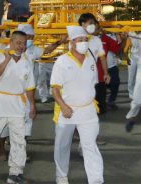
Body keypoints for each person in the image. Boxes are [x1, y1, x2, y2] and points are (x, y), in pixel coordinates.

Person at [0, 24, 65, 161]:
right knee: (4, 123)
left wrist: (59, 42)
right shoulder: (4, 52)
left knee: (27, 122)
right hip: (8, 94)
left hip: (27, 94)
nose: (30, 40)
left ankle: (20, 151)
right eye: (28, 37)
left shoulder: (33, 50)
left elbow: (46, 50)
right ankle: (1, 149)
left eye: (31, 37)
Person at [0, 31, 36, 184]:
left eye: (24, 43)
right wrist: (6, 60)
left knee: (19, 140)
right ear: (11, 42)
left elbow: (30, 87)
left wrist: (32, 107)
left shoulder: (26, 61)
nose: (22, 46)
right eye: (19, 43)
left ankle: (15, 173)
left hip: (17, 104)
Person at [51, 26, 104, 184]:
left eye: (85, 39)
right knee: (62, 146)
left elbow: (92, 82)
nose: (83, 43)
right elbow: (55, 89)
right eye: (79, 40)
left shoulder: (91, 59)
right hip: (67, 111)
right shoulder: (62, 61)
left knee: (90, 146)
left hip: (88, 111)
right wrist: (63, 105)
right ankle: (61, 176)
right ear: (71, 43)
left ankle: (96, 180)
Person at [78, 14, 110, 114]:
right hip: (79, 77)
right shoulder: (76, 40)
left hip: (93, 76)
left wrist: (106, 73)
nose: (93, 25)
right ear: (83, 24)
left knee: (95, 105)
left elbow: (102, 57)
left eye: (94, 23)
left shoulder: (96, 40)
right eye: (90, 23)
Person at [106, 26, 126, 109]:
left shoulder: (114, 36)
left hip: (112, 65)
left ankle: (111, 100)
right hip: (99, 66)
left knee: (115, 83)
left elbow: (119, 50)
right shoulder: (97, 36)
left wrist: (120, 36)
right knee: (100, 86)